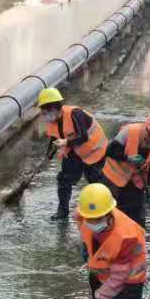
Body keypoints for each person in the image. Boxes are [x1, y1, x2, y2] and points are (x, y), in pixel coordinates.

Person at [38, 87, 108, 221]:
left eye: (45, 112)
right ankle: (62, 211)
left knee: (95, 182)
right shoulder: (52, 121)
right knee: (64, 179)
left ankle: (102, 210)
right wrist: (47, 156)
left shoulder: (75, 114)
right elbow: (54, 138)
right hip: (74, 151)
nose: (44, 115)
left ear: (54, 108)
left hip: (94, 151)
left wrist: (65, 142)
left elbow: (83, 137)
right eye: (43, 112)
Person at [101, 112, 150, 227]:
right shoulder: (129, 132)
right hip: (113, 180)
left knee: (137, 221)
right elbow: (109, 150)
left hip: (136, 182)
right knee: (110, 215)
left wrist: (149, 186)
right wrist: (127, 158)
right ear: (147, 131)